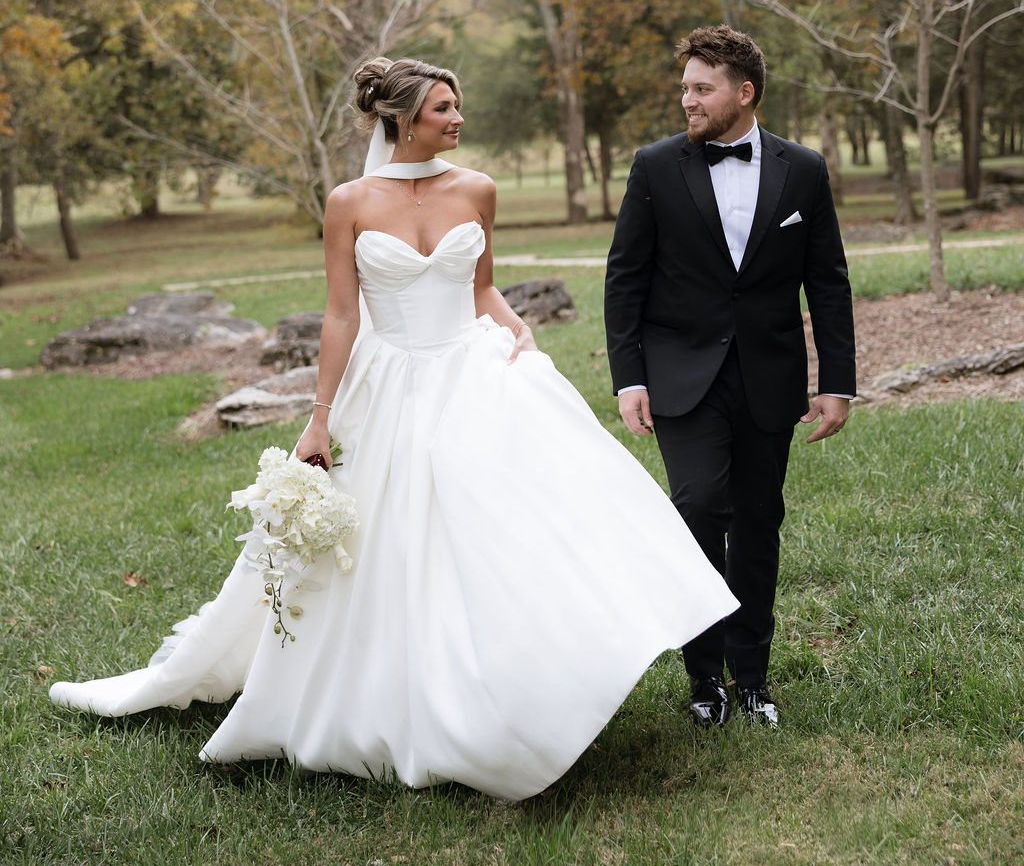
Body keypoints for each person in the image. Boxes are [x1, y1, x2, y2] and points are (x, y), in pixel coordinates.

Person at [51, 57, 737, 800]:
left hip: (473, 377)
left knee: (506, 536)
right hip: (388, 387)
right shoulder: (349, 202)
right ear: (404, 119)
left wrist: (518, 333)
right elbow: (342, 314)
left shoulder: (478, 189)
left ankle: (526, 689)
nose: (458, 119)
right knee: (387, 549)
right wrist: (319, 419)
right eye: (444, 107)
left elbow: (479, 288)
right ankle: (382, 699)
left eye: (458, 104)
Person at [604, 26, 856, 732]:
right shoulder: (655, 167)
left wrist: (837, 382)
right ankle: (702, 677)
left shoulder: (803, 169)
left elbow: (827, 282)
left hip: (769, 376)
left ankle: (752, 677)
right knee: (699, 505)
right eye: (684, 87)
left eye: (701, 88)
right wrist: (630, 378)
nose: (687, 99)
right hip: (681, 374)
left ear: (744, 93)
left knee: (758, 521)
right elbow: (625, 278)